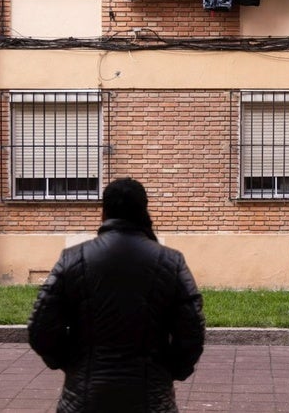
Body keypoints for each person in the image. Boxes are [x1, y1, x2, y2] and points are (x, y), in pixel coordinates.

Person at [28, 177, 205, 413]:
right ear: (144, 210)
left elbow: (40, 328)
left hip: (84, 398)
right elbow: (192, 331)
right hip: (150, 398)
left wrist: (72, 364)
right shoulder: (170, 261)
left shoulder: (74, 258)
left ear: (104, 212)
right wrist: (172, 370)